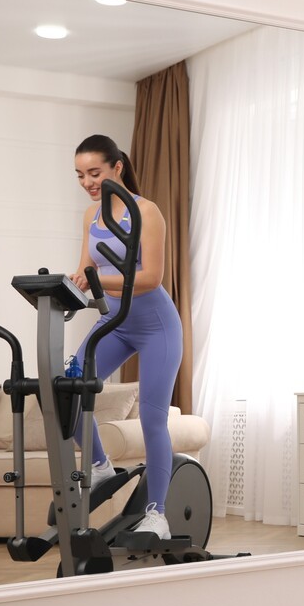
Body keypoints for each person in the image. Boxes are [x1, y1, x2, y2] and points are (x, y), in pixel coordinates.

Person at [68, 135, 183, 540]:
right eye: (81, 175)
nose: (87, 182)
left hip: (156, 326)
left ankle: (158, 514)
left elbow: (152, 278)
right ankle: (99, 467)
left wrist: (96, 279)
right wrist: (72, 285)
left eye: (94, 173)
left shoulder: (146, 211)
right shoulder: (91, 216)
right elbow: (86, 271)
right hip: (113, 322)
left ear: (117, 167)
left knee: (153, 418)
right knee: (68, 384)